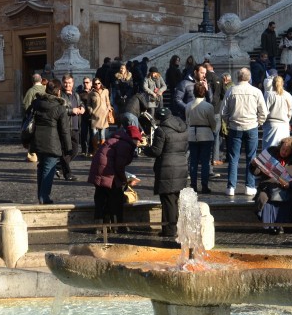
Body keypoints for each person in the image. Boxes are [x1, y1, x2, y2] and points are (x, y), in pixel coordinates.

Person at [221, 67, 267, 198]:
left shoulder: (231, 91)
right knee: (251, 157)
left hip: (235, 127)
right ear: (249, 77)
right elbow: (263, 112)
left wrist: (229, 121)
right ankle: (250, 186)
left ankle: (231, 187)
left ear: (238, 77)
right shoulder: (256, 91)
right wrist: (259, 122)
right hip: (251, 126)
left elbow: (223, 111)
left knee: (233, 158)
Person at [145, 106, 189, 237]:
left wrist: (145, 148)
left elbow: (156, 151)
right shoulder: (183, 127)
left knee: (168, 200)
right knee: (174, 199)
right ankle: (174, 228)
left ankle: (169, 230)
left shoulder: (161, 130)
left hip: (167, 168)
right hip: (181, 165)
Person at [89, 125, 142, 228]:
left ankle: (99, 227)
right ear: (132, 138)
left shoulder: (115, 139)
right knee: (116, 199)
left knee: (101, 199)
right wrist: (125, 181)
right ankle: (117, 227)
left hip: (99, 172)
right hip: (108, 173)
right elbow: (119, 166)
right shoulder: (124, 145)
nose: (138, 142)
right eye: (137, 139)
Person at [30, 81, 72, 205]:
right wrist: (68, 147)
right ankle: (44, 197)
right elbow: (64, 130)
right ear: (58, 92)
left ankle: (41, 195)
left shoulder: (36, 103)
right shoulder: (59, 107)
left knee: (41, 167)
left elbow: (27, 119)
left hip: (37, 141)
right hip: (52, 143)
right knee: (49, 169)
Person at [253, 136, 292, 234]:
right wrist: (254, 165)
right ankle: (268, 225)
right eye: (283, 149)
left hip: (285, 187)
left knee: (289, 199)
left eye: (287, 151)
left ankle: (282, 225)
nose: (284, 152)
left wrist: (289, 185)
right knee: (262, 197)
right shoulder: (271, 153)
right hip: (268, 186)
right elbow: (256, 172)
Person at [185, 84, 216, 194]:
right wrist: (213, 128)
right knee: (205, 162)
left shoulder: (188, 105)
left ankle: (193, 185)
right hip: (206, 134)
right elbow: (212, 122)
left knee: (193, 161)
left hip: (192, 134)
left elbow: (187, 120)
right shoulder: (208, 106)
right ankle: (204, 185)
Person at [57, 75, 84, 181]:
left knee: (75, 150)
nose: (67, 85)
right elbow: (60, 109)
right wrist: (71, 111)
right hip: (65, 127)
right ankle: (68, 174)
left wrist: (82, 108)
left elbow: (81, 103)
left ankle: (58, 167)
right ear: (62, 83)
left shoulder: (76, 95)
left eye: (69, 82)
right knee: (65, 151)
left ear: (73, 83)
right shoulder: (60, 95)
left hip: (76, 126)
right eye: (65, 82)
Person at [263, 74, 292, 149]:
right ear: (283, 83)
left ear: (272, 84)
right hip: (284, 125)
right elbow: (290, 112)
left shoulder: (268, 94)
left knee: (269, 149)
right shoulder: (288, 95)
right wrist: (287, 120)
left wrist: (262, 121)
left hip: (271, 125)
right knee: (283, 149)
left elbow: (264, 111)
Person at [21, 74, 46, 162]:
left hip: (34, 118)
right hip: (46, 118)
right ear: (41, 80)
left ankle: (33, 155)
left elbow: (26, 105)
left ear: (32, 81)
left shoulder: (31, 91)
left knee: (33, 136)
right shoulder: (46, 89)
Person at [87, 77, 113, 152]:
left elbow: (108, 101)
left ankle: (102, 150)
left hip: (104, 115)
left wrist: (109, 108)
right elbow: (88, 104)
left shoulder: (105, 91)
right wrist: (91, 110)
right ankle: (95, 150)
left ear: (100, 83)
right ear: (93, 85)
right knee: (95, 135)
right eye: (95, 84)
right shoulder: (91, 93)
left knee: (102, 135)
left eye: (99, 83)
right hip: (95, 115)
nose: (97, 85)